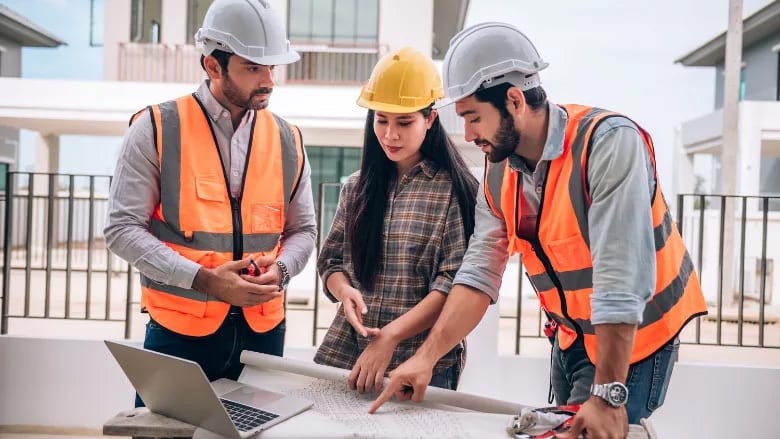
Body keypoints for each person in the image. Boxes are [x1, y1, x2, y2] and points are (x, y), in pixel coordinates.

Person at [370, 22, 708, 438]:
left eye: (474, 118)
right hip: (571, 338)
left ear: (514, 100)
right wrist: (426, 357)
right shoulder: (498, 170)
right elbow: (478, 273)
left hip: (635, 339)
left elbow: (620, 278)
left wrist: (607, 395)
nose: (469, 134)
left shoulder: (608, 144)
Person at [104, 0, 316, 406]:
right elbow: (121, 228)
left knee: (258, 432)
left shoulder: (288, 139)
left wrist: (283, 271)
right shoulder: (156, 128)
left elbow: (303, 230)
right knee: (165, 436)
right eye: (253, 67)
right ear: (213, 66)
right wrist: (204, 280)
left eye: (272, 67)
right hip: (178, 334)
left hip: (264, 332)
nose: (268, 80)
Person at [313, 47, 478, 393]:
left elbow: (452, 286)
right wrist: (345, 292)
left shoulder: (453, 192)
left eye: (404, 122)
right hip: (350, 354)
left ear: (430, 119)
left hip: (422, 363)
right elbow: (330, 261)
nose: (390, 135)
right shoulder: (357, 188)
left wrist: (390, 337)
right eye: (381, 120)